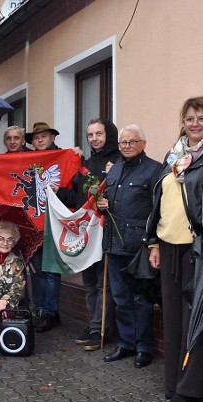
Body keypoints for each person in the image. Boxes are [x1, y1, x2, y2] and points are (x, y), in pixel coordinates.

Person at [143, 98, 203, 402]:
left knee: (196, 316)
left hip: (199, 244)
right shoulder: (173, 155)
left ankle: (192, 387)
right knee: (171, 315)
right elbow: (159, 201)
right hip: (168, 244)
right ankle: (173, 381)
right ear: (182, 122)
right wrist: (153, 242)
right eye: (190, 118)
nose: (195, 123)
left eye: (202, 117)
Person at [98, 124, 161, 369]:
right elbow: (104, 205)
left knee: (141, 299)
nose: (127, 146)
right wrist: (99, 205)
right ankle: (126, 343)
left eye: (132, 142)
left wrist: (154, 243)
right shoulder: (114, 170)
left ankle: (144, 347)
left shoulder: (154, 169)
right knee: (121, 297)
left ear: (143, 143)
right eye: (123, 142)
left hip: (139, 246)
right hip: (114, 244)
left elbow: (158, 210)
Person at [67, 118, 120, 351]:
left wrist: (116, 174)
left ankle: (102, 329)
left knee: (102, 284)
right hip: (86, 233)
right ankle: (92, 325)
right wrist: (57, 192)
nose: (94, 139)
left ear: (109, 134)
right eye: (90, 135)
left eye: (99, 134)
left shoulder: (119, 161)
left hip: (106, 231)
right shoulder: (86, 164)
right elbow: (77, 198)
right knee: (89, 283)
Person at [24, 121, 63, 332]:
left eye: (44, 136)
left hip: (54, 223)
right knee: (38, 269)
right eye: (36, 137)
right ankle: (40, 308)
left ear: (52, 138)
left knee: (51, 270)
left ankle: (50, 312)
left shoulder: (62, 157)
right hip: (34, 223)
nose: (39, 140)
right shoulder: (28, 159)